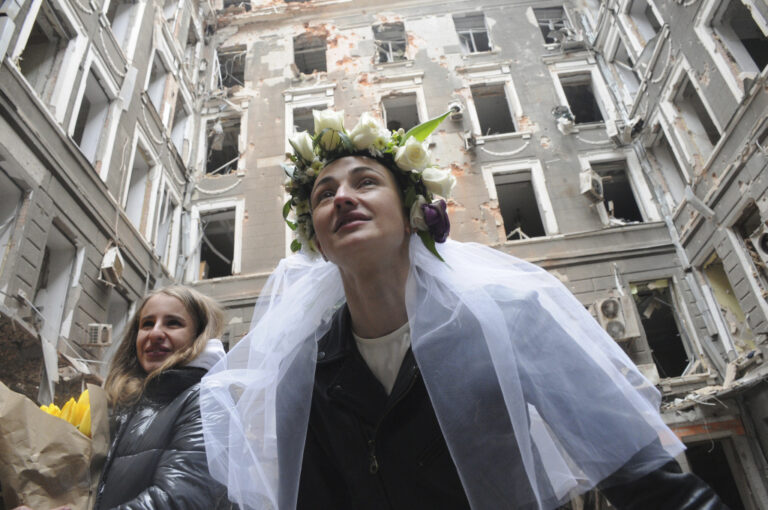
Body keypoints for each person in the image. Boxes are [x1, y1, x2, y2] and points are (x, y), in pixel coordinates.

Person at [200, 110, 727, 510]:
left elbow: (646, 481)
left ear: (411, 215)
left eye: (365, 182)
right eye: (323, 193)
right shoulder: (303, 369)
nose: (341, 198)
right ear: (314, 235)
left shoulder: (511, 316)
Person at [95, 286, 230, 509]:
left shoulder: (208, 400)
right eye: (147, 324)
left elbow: (178, 501)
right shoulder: (123, 405)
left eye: (173, 323)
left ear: (199, 335)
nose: (155, 333)